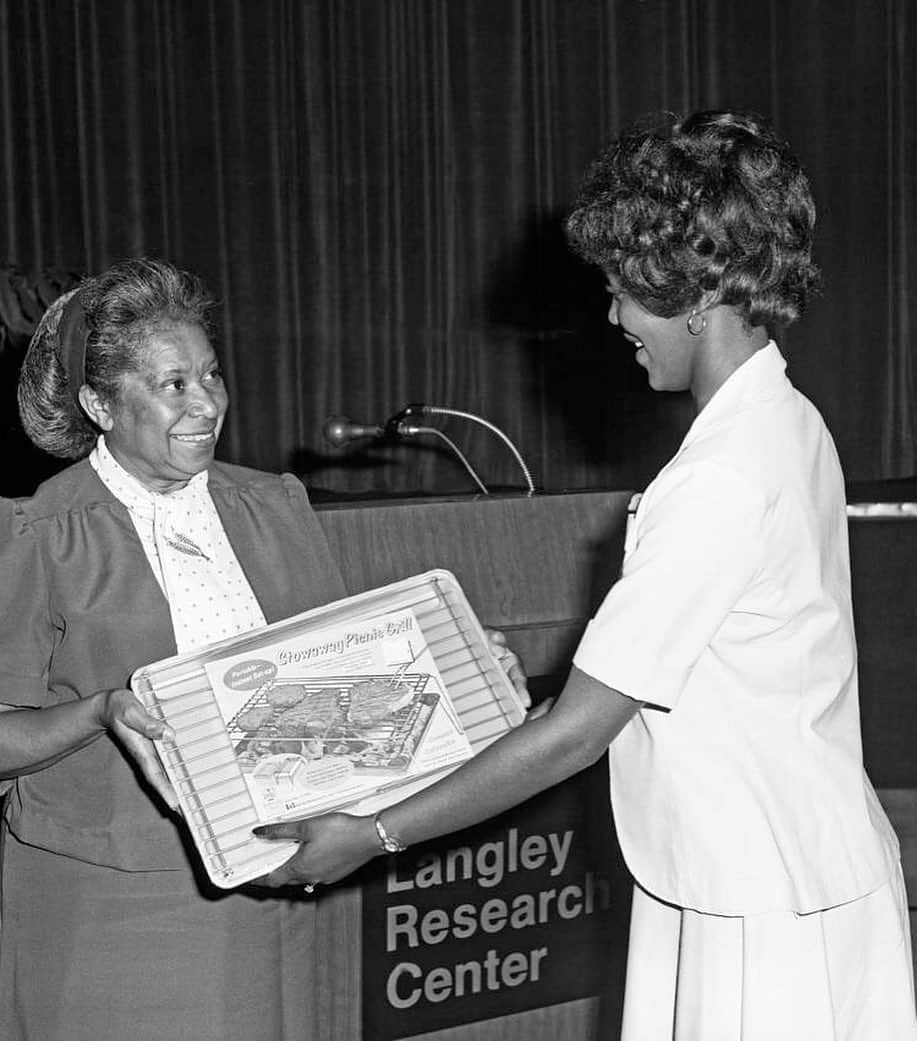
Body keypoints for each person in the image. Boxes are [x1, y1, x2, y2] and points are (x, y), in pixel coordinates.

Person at [249, 112, 917, 1041]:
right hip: (765, 865)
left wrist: (372, 832)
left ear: (693, 295)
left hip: (759, 901)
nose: (613, 319)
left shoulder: (719, 475)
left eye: (621, 294)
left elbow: (578, 736)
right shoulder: (784, 415)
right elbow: (689, 671)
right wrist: (515, 693)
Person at [0, 255, 525, 1041]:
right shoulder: (41, 531)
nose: (206, 401)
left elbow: (330, 685)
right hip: (110, 898)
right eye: (172, 384)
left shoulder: (273, 504)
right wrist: (99, 713)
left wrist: (457, 669)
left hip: (270, 881)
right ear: (98, 404)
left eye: (211, 374)